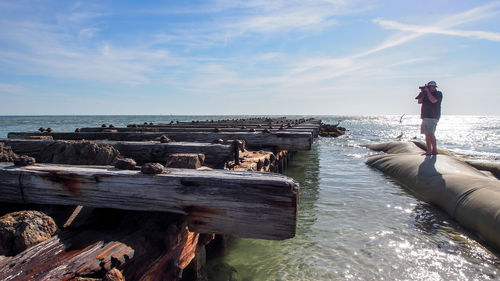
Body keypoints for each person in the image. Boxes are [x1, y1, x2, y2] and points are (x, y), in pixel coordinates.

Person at [415, 81, 443, 155]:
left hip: (433, 116)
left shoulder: (438, 94)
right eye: (431, 86)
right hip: (425, 116)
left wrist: (427, 92)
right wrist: (422, 93)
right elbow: (419, 102)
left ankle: (434, 150)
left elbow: (433, 100)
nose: (433, 88)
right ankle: (429, 150)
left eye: (434, 87)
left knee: (431, 133)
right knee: (427, 134)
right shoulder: (425, 94)